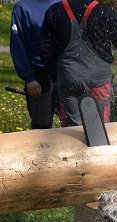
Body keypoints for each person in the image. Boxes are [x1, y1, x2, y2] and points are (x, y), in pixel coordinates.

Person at [40, 0, 117, 127]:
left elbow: (45, 49)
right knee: (100, 129)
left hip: (68, 78)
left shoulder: (55, 11)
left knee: (71, 131)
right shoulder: (103, 11)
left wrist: (56, 76)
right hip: (99, 81)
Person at [10, 0, 60, 129]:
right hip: (39, 76)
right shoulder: (23, 8)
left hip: (66, 73)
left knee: (73, 126)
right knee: (42, 128)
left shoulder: (63, 3)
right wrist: (29, 78)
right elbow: (18, 46)